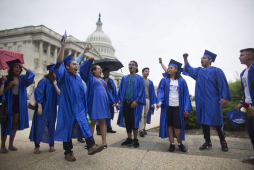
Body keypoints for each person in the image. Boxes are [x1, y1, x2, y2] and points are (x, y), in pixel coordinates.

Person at [52, 36, 103, 161]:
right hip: (67, 108)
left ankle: (91, 145)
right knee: (67, 129)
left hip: (79, 107)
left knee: (85, 124)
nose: (76, 66)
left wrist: (84, 54)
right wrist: (63, 46)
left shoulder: (78, 78)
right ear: (67, 67)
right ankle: (68, 152)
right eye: (73, 64)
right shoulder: (64, 77)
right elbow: (59, 63)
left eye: (77, 64)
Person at [183, 50, 231, 151]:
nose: (202, 59)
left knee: (217, 122)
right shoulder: (199, 71)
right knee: (204, 122)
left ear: (210, 60)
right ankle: (208, 142)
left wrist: (224, 97)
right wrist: (185, 59)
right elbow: (189, 69)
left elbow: (222, 84)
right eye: (201, 58)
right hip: (201, 101)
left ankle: (223, 141)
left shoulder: (217, 71)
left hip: (213, 101)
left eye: (204, 58)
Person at [156, 59, 192, 152]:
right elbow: (160, 91)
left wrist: (186, 107)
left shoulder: (182, 81)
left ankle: (180, 143)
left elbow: (186, 94)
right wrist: (159, 101)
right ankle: (172, 144)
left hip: (178, 107)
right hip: (168, 107)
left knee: (178, 126)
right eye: (168, 68)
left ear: (176, 69)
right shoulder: (164, 80)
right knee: (170, 125)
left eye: (171, 68)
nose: (169, 69)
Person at [0, 59, 35, 153]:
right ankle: (3, 145)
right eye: (16, 67)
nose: (18, 69)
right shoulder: (6, 79)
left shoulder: (22, 79)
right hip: (8, 103)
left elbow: (31, 75)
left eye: (19, 67)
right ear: (11, 69)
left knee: (15, 123)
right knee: (5, 123)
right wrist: (8, 85)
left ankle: (11, 144)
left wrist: (22, 65)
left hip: (19, 103)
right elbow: (2, 93)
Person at [80, 62, 116, 149]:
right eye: (98, 69)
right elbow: (83, 71)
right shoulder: (90, 78)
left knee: (103, 122)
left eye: (101, 69)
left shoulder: (103, 80)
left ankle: (104, 143)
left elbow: (108, 92)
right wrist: (89, 61)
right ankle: (90, 143)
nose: (101, 70)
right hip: (94, 102)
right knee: (92, 122)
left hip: (103, 103)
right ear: (93, 71)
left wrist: (112, 101)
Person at [29, 65, 60, 154]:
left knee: (51, 126)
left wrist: (55, 84)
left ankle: (51, 144)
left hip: (52, 108)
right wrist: (39, 107)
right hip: (42, 107)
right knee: (39, 125)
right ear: (51, 73)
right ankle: (37, 146)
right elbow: (38, 93)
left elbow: (60, 95)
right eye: (55, 73)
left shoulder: (56, 83)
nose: (57, 74)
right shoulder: (44, 81)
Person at [117, 61, 146, 148]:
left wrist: (136, 101)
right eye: (129, 64)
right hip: (125, 102)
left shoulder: (139, 78)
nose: (130, 66)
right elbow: (121, 89)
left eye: (132, 65)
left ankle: (135, 139)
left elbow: (141, 90)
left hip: (134, 104)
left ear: (136, 67)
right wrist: (119, 99)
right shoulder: (124, 78)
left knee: (134, 121)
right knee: (127, 121)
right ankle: (129, 138)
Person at [235, 48, 254, 164]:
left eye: (242, 55)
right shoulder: (244, 72)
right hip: (247, 105)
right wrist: (242, 102)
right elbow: (246, 90)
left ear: (251, 56)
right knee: (251, 131)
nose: (239, 57)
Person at [75, 47, 90, 143]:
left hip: (84, 100)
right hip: (77, 100)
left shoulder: (84, 75)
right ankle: (81, 136)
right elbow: (75, 62)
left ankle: (85, 136)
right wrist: (83, 52)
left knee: (85, 119)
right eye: (81, 65)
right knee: (79, 119)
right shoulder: (76, 74)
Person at [96, 67, 118, 135]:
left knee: (109, 114)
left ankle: (108, 127)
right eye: (106, 72)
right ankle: (98, 129)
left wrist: (115, 100)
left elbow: (114, 91)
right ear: (103, 73)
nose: (107, 73)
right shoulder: (100, 80)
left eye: (108, 72)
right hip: (102, 100)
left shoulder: (111, 81)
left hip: (110, 101)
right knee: (101, 114)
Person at [138, 67, 156, 137]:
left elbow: (152, 92)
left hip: (148, 100)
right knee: (141, 115)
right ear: (142, 72)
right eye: (146, 71)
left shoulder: (150, 82)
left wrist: (153, 102)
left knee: (146, 115)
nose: (147, 73)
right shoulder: (139, 80)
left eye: (148, 72)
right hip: (140, 100)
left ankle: (144, 128)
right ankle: (141, 130)